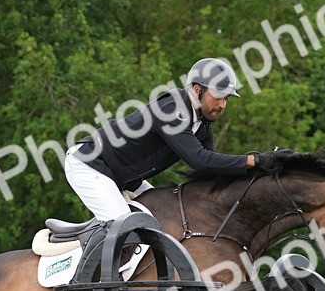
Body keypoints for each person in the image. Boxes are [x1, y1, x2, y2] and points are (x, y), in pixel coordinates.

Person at [64, 58, 282, 224]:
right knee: (126, 226)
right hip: (90, 163)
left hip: (125, 178)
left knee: (163, 222)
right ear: (198, 90)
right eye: (218, 96)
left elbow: (211, 172)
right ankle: (94, 282)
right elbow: (200, 160)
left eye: (226, 98)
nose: (223, 105)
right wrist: (253, 160)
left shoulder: (202, 127)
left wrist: (261, 175)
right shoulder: (172, 109)